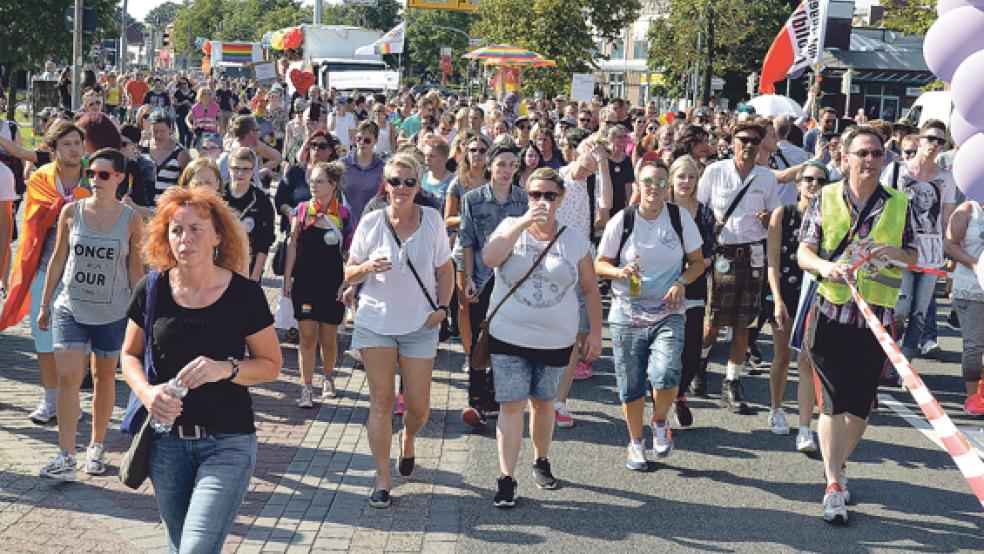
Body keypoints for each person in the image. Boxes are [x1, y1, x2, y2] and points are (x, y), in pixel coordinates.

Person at [121, 186, 281, 550]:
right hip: (166, 445)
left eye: (196, 229)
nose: (185, 239)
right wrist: (148, 393)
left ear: (218, 236)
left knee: (195, 549)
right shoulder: (152, 289)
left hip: (227, 442)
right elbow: (128, 354)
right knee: (181, 547)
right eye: (176, 230)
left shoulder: (244, 294)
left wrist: (226, 368)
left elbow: (271, 365)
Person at [797, 126, 917, 524]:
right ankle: (833, 484)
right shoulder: (826, 197)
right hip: (832, 312)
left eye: (877, 154)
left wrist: (890, 252)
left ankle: (839, 463)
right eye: (862, 153)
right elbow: (803, 252)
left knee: (859, 409)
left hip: (875, 319)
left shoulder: (899, 203)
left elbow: (913, 253)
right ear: (845, 158)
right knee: (831, 402)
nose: (870, 160)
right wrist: (825, 267)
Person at [481, 167, 602, 507]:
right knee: (511, 404)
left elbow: (591, 289)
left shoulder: (574, 240)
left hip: (555, 339)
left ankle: (541, 459)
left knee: (544, 403)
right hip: (508, 334)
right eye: (536, 195)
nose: (543, 202)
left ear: (561, 198)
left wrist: (595, 332)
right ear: (526, 195)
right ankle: (506, 477)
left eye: (550, 195)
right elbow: (490, 257)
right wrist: (523, 222)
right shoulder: (509, 227)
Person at [344, 153, 454, 509]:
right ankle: (382, 478)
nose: (402, 188)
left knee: (419, 407)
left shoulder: (433, 220)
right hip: (376, 321)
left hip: (421, 323)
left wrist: (442, 307)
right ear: (385, 184)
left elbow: (445, 269)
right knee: (381, 401)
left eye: (409, 181)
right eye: (395, 181)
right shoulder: (373, 221)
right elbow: (347, 271)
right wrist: (365, 268)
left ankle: (408, 439)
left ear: (418, 185)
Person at [37, 148, 144, 481]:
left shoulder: (131, 220)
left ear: (120, 179)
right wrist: (44, 303)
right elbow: (57, 259)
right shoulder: (72, 211)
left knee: (103, 378)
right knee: (68, 377)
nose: (95, 181)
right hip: (71, 307)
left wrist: (143, 314)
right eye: (91, 174)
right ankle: (65, 456)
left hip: (112, 312)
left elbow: (134, 268)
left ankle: (96, 447)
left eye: (103, 175)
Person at [596, 162, 705, 469]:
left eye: (660, 181)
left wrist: (681, 282)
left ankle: (659, 422)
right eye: (648, 182)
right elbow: (599, 263)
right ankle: (635, 443)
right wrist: (619, 271)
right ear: (638, 187)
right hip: (626, 312)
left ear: (666, 186)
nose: (654, 188)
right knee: (631, 385)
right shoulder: (624, 219)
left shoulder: (679, 218)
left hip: (668, 311)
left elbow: (698, 262)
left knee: (666, 372)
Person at [0, 121, 92, 424]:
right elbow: (33, 221)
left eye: (77, 143)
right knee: (44, 337)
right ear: (52, 150)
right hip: (43, 269)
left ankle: (71, 398)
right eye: (66, 144)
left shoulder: (94, 178)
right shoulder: (41, 179)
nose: (74, 149)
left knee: (79, 342)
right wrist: (64, 205)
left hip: (85, 273)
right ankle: (50, 397)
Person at [696, 121, 781, 414]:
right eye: (743, 140)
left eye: (754, 141)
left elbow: (775, 218)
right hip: (722, 253)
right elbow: (697, 209)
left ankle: (732, 383)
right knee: (713, 321)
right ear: (732, 142)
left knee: (744, 323)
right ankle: (700, 364)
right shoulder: (714, 172)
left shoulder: (766, 178)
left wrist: (767, 218)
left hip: (753, 254)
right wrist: (711, 223)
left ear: (760, 146)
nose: (748, 146)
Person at [458, 143, 529, 427]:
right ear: (490, 166)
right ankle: (475, 399)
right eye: (501, 164)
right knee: (479, 338)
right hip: (483, 277)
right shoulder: (473, 199)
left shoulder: (524, 199)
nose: (506, 170)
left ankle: (497, 395)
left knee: (506, 340)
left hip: (513, 280)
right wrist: (467, 278)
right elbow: (466, 240)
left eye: (512, 165)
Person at [881, 120, 956, 365]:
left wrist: (948, 248)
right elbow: (880, 205)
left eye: (940, 141)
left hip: (931, 247)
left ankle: (907, 363)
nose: (935, 145)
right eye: (930, 138)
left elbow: (947, 214)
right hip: (900, 245)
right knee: (900, 307)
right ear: (919, 139)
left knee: (921, 310)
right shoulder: (896, 171)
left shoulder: (946, 178)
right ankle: (894, 351)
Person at [765, 162, 825, 441]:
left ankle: (806, 426)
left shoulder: (831, 216)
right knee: (783, 355)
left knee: (807, 359)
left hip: (816, 292)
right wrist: (776, 299)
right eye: (808, 179)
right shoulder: (783, 214)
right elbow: (773, 262)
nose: (814, 185)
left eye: (821, 181)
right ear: (798, 184)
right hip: (787, 291)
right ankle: (776, 407)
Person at [284, 161, 350, 407]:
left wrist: (348, 284)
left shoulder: (343, 214)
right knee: (307, 338)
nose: (313, 185)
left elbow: (350, 252)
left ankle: (329, 377)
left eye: (319, 181)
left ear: (333, 185)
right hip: (305, 283)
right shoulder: (301, 211)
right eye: (311, 180)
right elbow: (292, 244)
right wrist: (287, 277)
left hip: (332, 284)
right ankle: (307, 387)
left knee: (329, 339)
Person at [665, 156, 716, 424]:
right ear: (671, 178)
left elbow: (709, 254)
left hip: (693, 285)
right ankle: (662, 398)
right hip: (660, 286)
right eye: (681, 176)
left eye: (691, 177)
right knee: (663, 346)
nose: (686, 182)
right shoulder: (658, 208)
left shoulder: (704, 212)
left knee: (692, 349)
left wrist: (690, 269)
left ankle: (680, 394)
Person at [944, 198, 984, 415]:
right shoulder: (968, 210)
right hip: (971, 289)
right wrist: (975, 264)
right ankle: (972, 397)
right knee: (975, 345)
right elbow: (949, 243)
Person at [224, 147, 275, 282]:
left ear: (253, 170)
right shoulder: (218, 195)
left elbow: (265, 241)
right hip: (220, 265)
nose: (240, 173)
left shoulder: (261, 200)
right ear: (229, 168)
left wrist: (255, 275)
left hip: (248, 267)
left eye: (246, 169)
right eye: (235, 168)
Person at [341, 121, 386, 229]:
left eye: (367, 140)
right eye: (359, 139)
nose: (362, 143)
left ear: (375, 140)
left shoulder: (383, 167)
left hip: (374, 224)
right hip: (347, 225)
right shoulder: (343, 164)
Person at [144, 111, 191, 203]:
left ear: (170, 129)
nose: (158, 135)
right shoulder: (142, 148)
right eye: (155, 131)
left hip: (168, 207)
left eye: (163, 131)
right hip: (142, 207)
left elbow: (188, 182)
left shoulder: (181, 154)